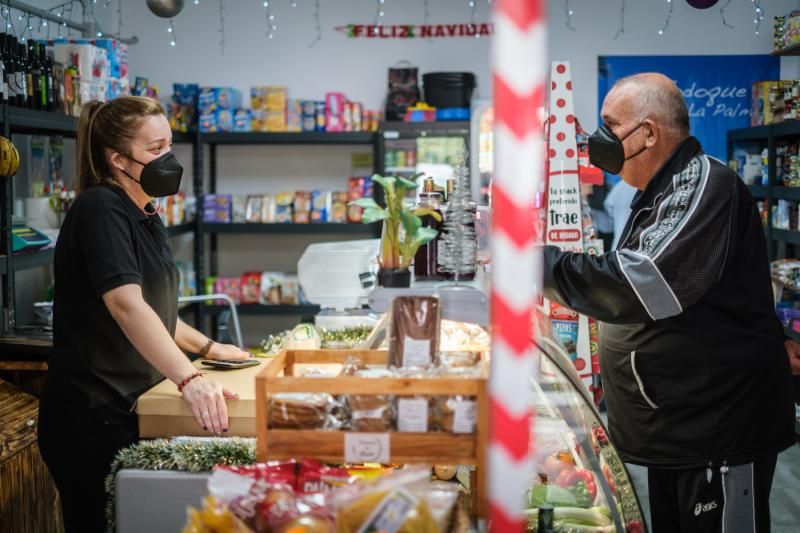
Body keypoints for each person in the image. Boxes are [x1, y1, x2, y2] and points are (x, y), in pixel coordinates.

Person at [542, 73, 796, 532]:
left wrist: (533, 265)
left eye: (609, 124)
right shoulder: (658, 192)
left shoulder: (706, 185)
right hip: (676, 430)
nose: (599, 138)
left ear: (649, 133)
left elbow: (638, 284)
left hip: (716, 432)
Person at [37, 96, 251, 533]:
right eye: (155, 150)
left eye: (169, 145)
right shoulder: (100, 208)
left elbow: (156, 313)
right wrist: (188, 379)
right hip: (91, 414)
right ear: (117, 159)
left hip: (132, 403)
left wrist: (210, 348)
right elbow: (126, 306)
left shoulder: (145, 213)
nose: (168, 158)